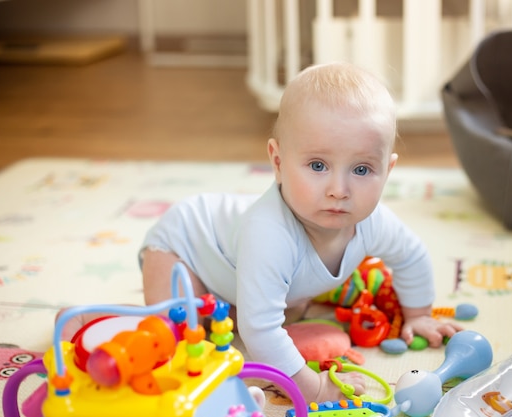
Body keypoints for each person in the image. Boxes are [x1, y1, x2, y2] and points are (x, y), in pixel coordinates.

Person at [63, 62, 463, 403]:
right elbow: (262, 329)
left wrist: (419, 315)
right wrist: (314, 388)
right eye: (318, 165)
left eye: (361, 170)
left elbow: (410, 256)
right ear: (277, 160)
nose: (339, 189)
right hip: (183, 247)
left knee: (259, 314)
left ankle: (234, 307)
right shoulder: (269, 232)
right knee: (177, 337)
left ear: (387, 171)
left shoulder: (373, 221)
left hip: (230, 268)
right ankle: (90, 321)